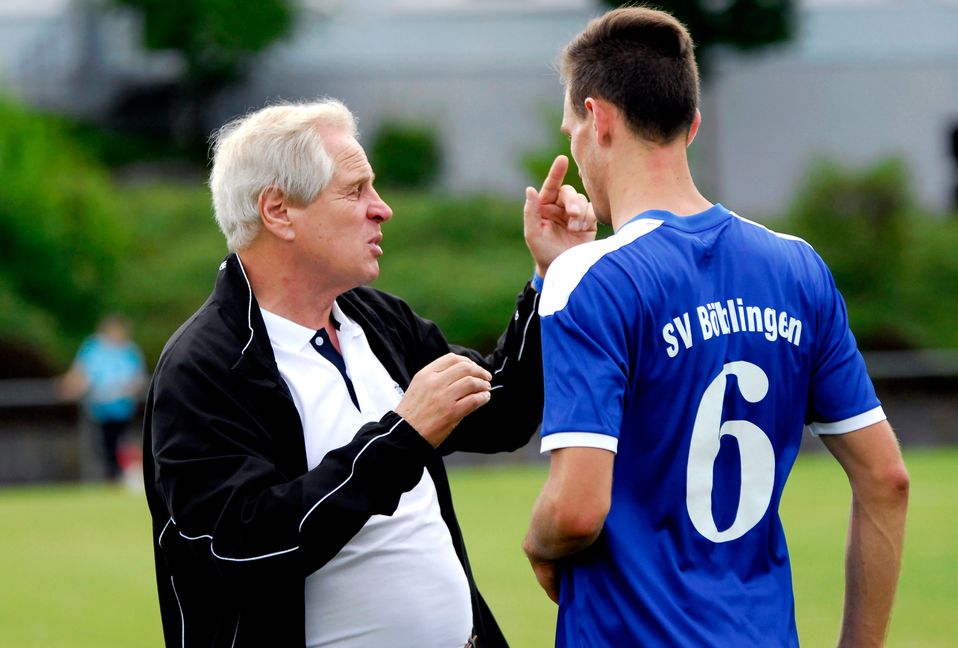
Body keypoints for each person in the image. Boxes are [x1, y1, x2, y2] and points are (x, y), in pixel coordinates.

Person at [522, 7, 910, 647]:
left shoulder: (594, 277)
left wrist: (538, 543)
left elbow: (575, 511)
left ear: (598, 119)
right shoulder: (797, 266)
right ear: (692, 125)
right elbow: (886, 478)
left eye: (572, 129)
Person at [142, 98, 594, 647]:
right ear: (278, 211)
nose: (382, 209)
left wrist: (554, 274)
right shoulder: (204, 367)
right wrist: (401, 437)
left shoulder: (377, 320)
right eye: (355, 191)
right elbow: (241, 547)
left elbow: (503, 412)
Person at [60, 314, 146, 481]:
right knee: (101, 447)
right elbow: (80, 372)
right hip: (98, 408)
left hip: (122, 408)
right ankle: (111, 477)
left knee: (120, 445)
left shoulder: (129, 351)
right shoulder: (92, 349)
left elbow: (137, 378)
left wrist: (128, 389)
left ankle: (120, 477)